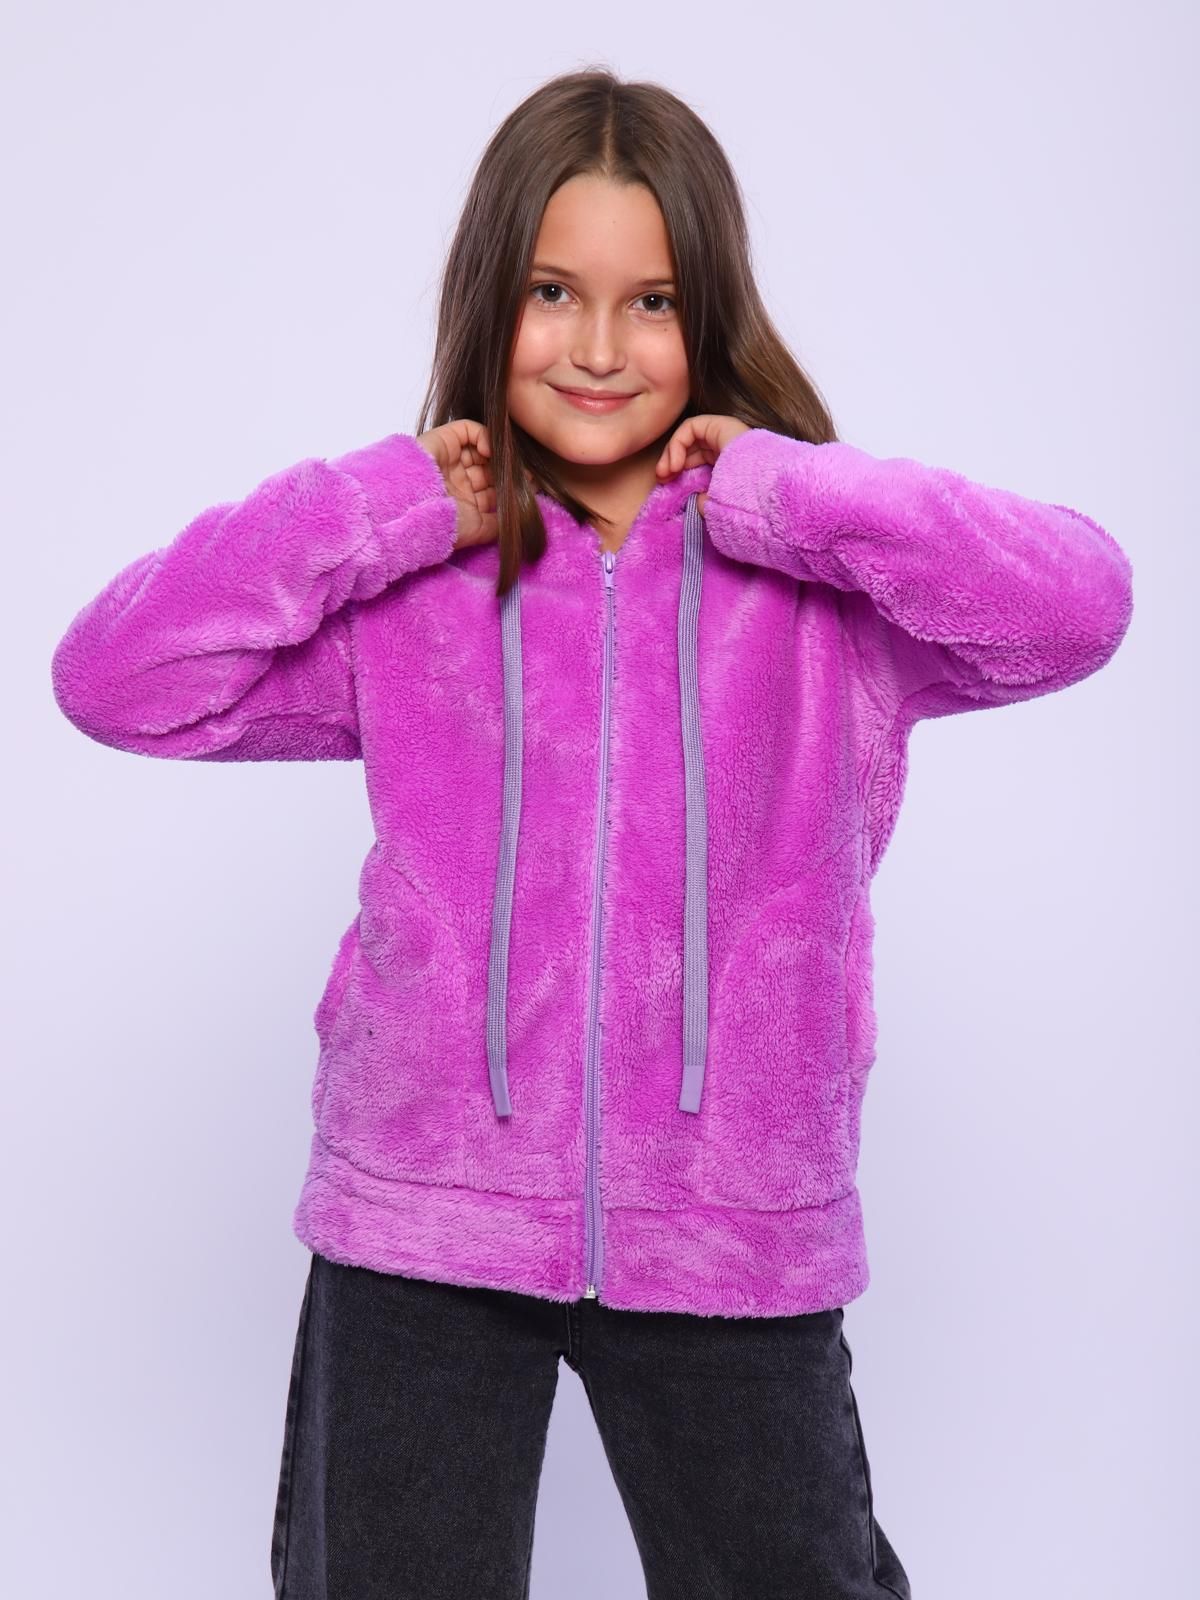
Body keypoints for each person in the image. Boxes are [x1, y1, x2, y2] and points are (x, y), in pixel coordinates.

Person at [50, 65, 1134, 1600]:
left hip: (735, 1225)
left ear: (711, 315)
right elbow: (118, 680)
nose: (602, 348)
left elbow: (1078, 606)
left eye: (654, 302)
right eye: (555, 292)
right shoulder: (420, 578)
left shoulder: (818, 595)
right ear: (492, 297)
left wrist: (791, 491)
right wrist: (378, 503)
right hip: (422, 1218)